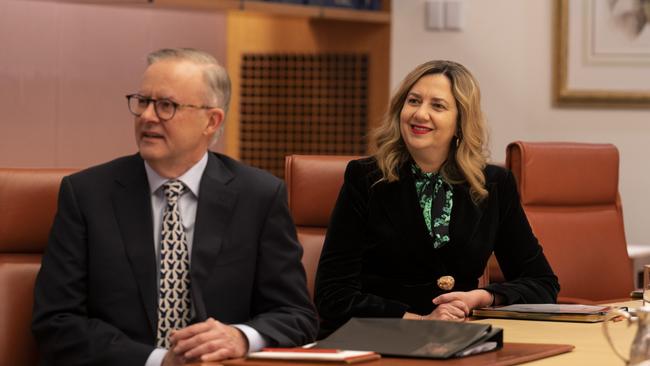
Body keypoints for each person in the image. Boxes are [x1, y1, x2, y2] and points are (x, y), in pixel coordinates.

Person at [32, 48, 318, 365]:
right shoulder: (87, 195)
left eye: (166, 105)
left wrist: (239, 337)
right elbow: (56, 322)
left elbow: (296, 315)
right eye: (142, 102)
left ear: (211, 120)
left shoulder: (259, 197)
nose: (147, 116)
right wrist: (159, 360)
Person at [314, 60, 560, 338]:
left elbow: (542, 283)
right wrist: (418, 321)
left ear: (460, 121)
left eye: (438, 106)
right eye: (413, 101)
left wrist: (481, 297)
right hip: (378, 340)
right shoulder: (366, 179)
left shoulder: (493, 185)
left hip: (457, 340)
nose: (420, 114)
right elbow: (332, 295)